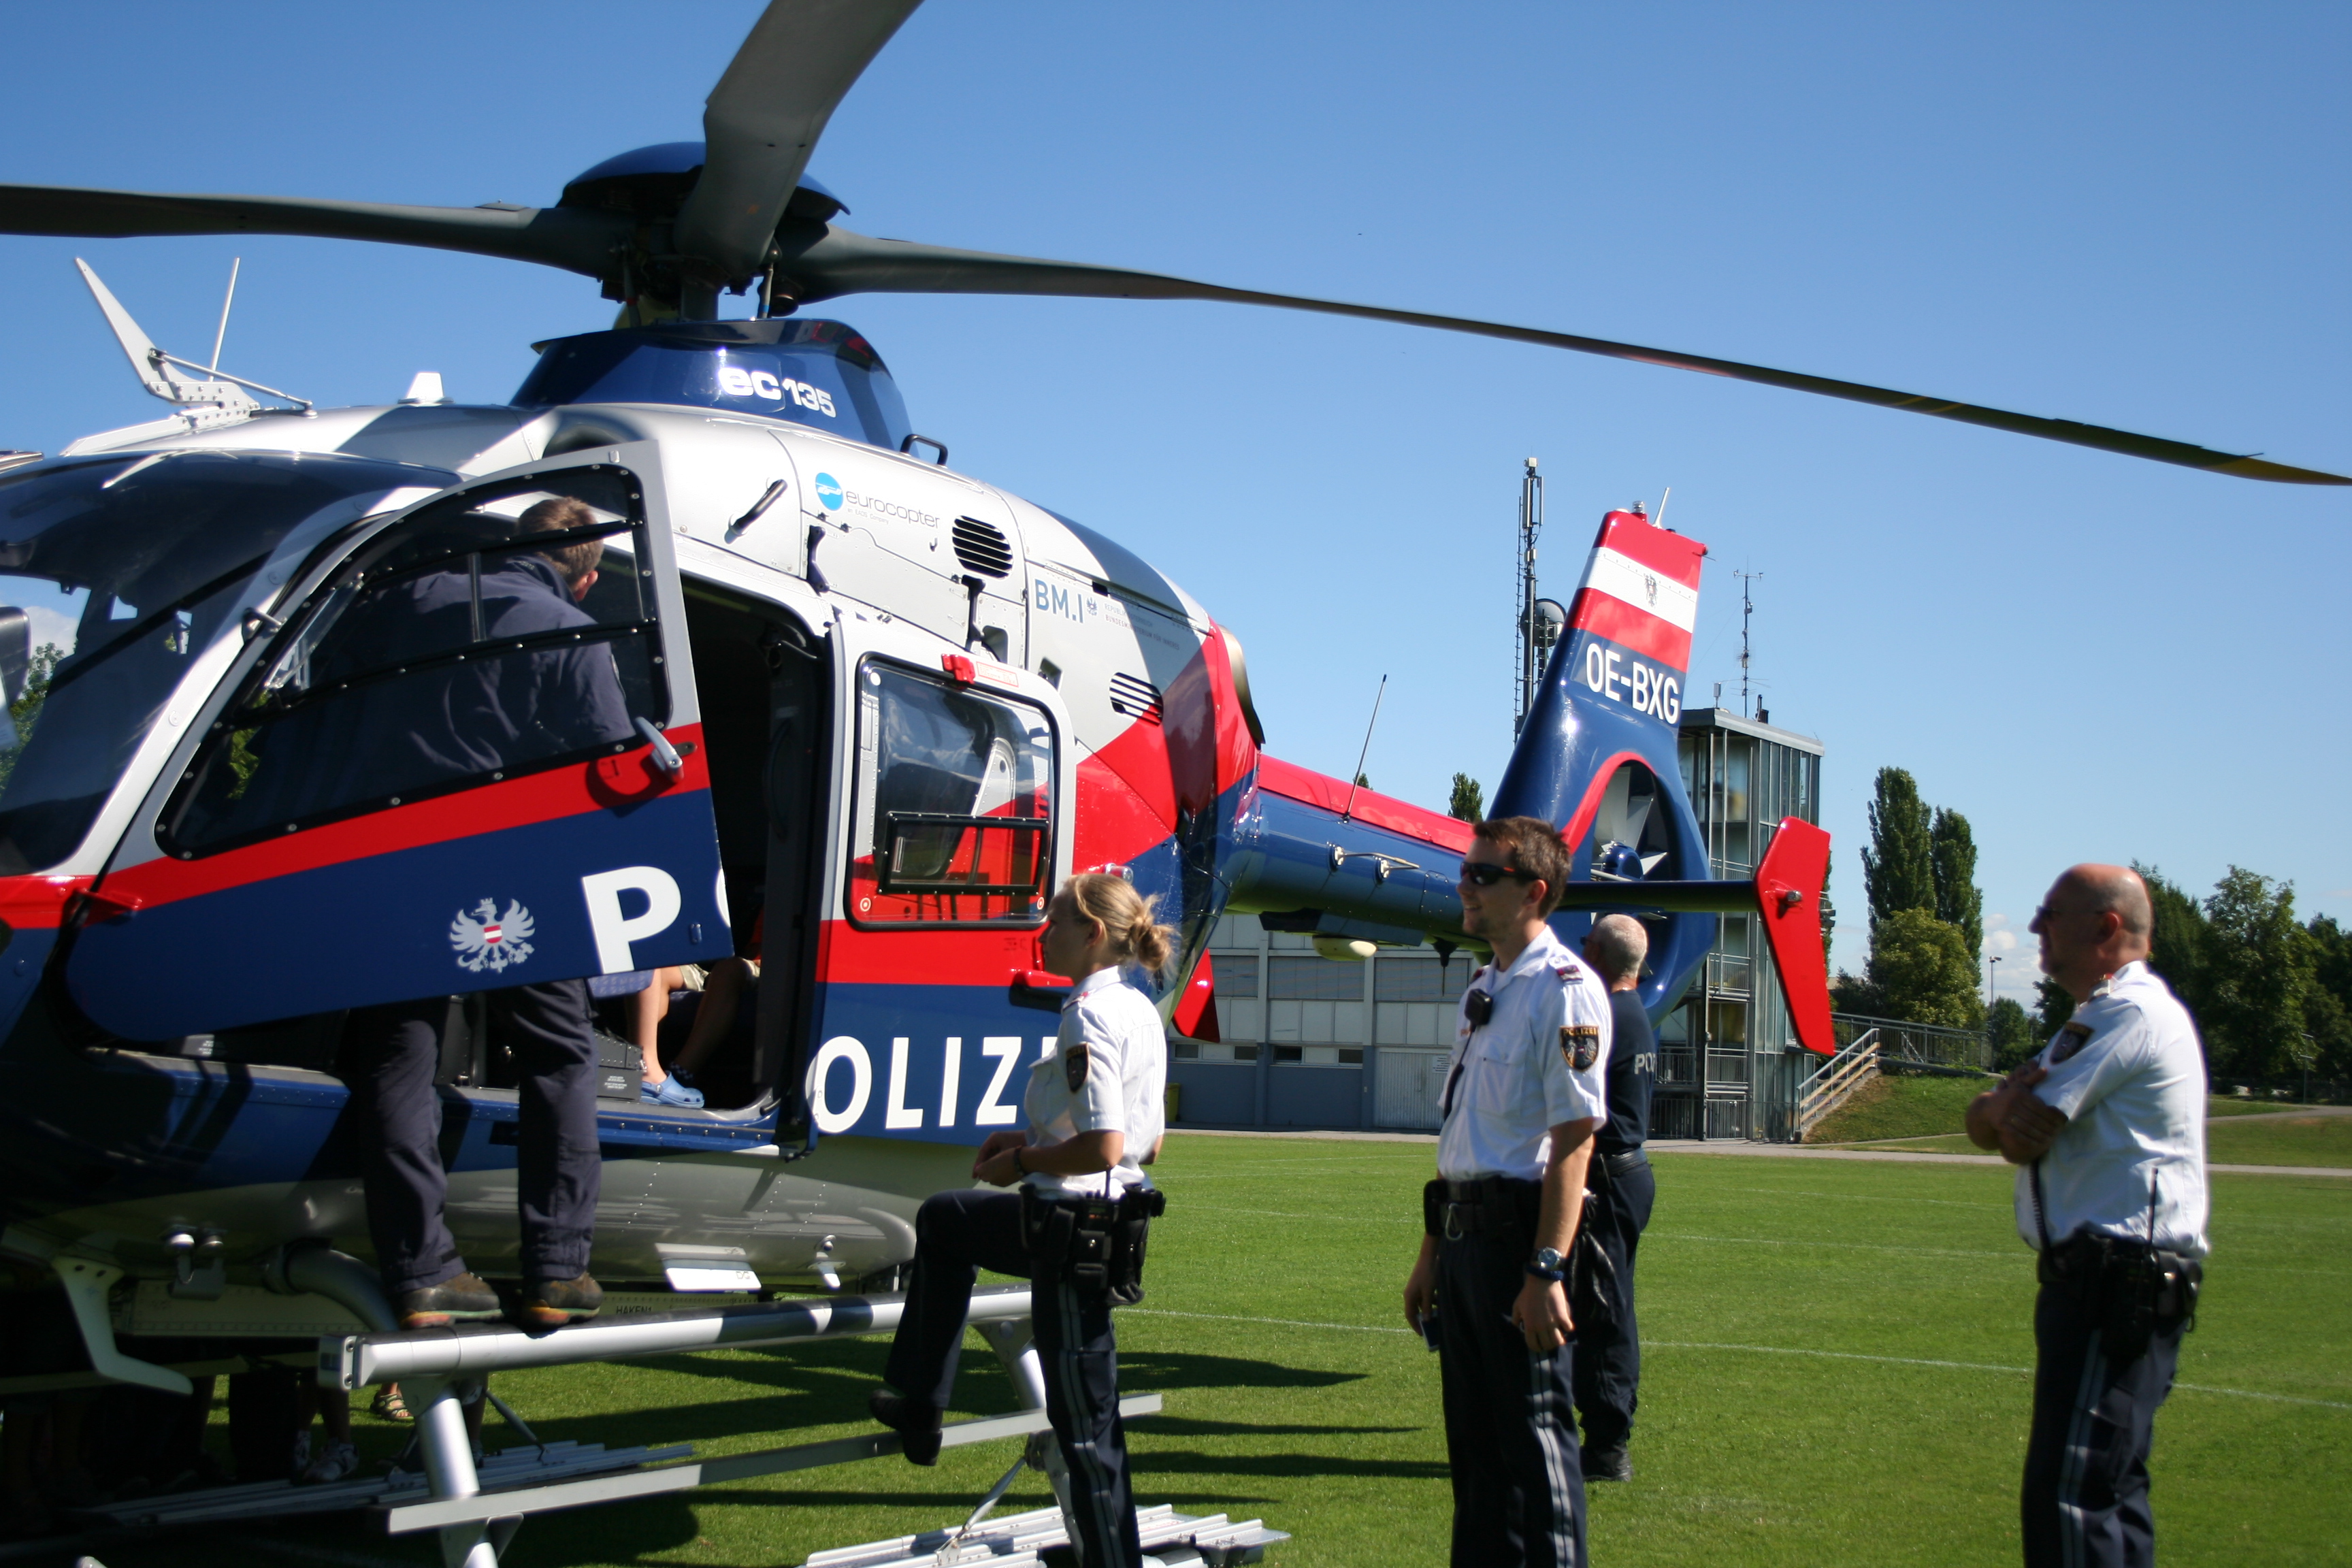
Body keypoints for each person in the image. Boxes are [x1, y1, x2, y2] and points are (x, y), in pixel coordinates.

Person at [340, 495, 634, 1330]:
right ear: (585, 575)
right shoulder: (567, 627)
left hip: (387, 858)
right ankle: (556, 1269)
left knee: (399, 1056)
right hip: (505, 868)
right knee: (560, 1055)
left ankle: (421, 1270)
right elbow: (610, 759)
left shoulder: (408, 601)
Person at [868, 872, 1170, 1568]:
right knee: (946, 1219)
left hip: (1073, 1226)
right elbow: (1147, 1143)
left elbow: (1106, 1146)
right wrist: (1027, 1139)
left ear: (1093, 933)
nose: (1044, 932)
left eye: (1057, 921)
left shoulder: (1090, 1016)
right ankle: (920, 1405)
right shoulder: (1139, 1010)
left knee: (1084, 1424)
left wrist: (1024, 1159)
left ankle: (1109, 1558)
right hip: (1095, 1221)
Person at [1965, 864, 2207, 1568]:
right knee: (2108, 1488)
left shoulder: (2126, 1012)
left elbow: (2018, 1132)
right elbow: (1997, 1125)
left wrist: (2002, 1108)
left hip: (2115, 1281)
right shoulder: (2100, 1015)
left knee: (2072, 1493)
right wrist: (1999, 1108)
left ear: (2106, 926)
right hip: (2111, 1280)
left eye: (2052, 913)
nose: (2035, 927)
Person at [1403, 816, 1612, 1568]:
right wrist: (1431, 1255)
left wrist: (1545, 1269)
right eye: (1466, 871)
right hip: (1464, 1242)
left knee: (1534, 1449)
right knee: (1476, 1457)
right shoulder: (1484, 986)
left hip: (1516, 1244)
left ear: (1533, 891)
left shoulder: (1565, 991)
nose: (1465, 885)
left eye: (1482, 875)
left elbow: (1574, 1139)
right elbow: (1462, 1142)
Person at [1572, 913, 1656, 1484]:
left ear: (1598, 955)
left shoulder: (1600, 1016)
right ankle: (1603, 1435)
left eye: (1586, 944)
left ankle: (1607, 1445)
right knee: (1608, 1304)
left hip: (1603, 1178)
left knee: (1602, 1311)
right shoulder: (1635, 1013)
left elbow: (1566, 1097)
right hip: (1627, 1172)